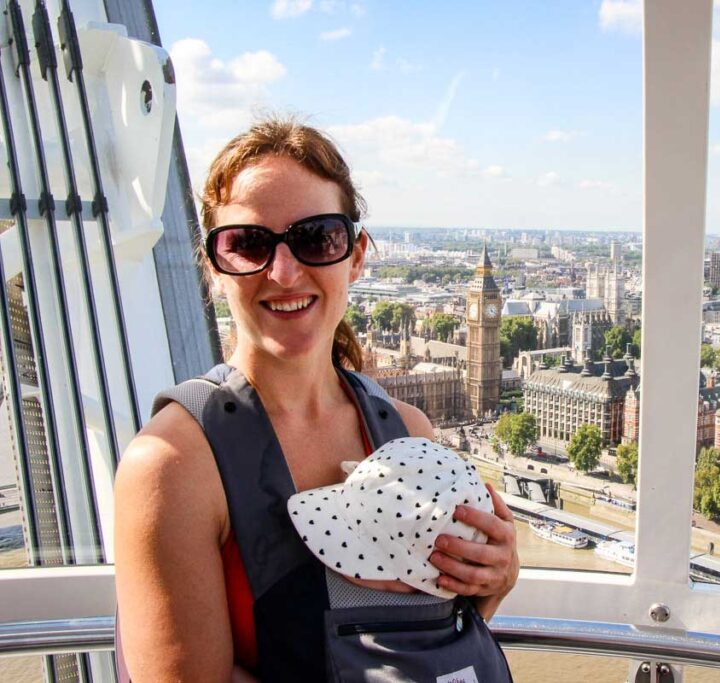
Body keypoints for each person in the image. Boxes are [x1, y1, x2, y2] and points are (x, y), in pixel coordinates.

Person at [114, 117, 519, 682]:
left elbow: (430, 646)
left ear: (354, 256)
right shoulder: (171, 464)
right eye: (248, 244)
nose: (283, 271)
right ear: (214, 268)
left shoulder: (408, 430)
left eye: (316, 238)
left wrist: (489, 582)